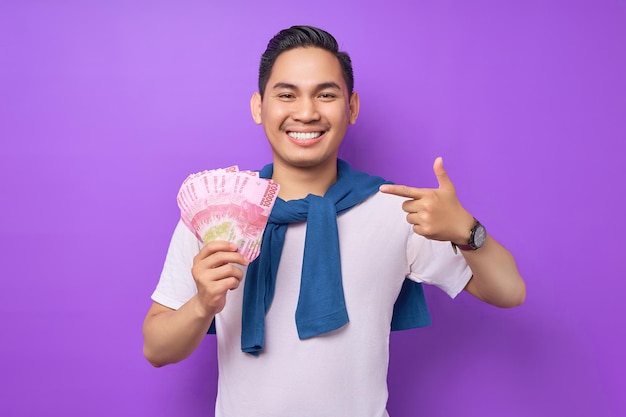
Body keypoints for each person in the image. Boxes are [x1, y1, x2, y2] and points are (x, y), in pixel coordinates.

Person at [142, 25, 526, 417]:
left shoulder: (395, 209)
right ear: (259, 106)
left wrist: (467, 229)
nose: (306, 112)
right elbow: (156, 349)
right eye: (286, 95)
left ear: (352, 107)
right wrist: (203, 304)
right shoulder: (217, 214)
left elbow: (509, 291)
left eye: (326, 95)